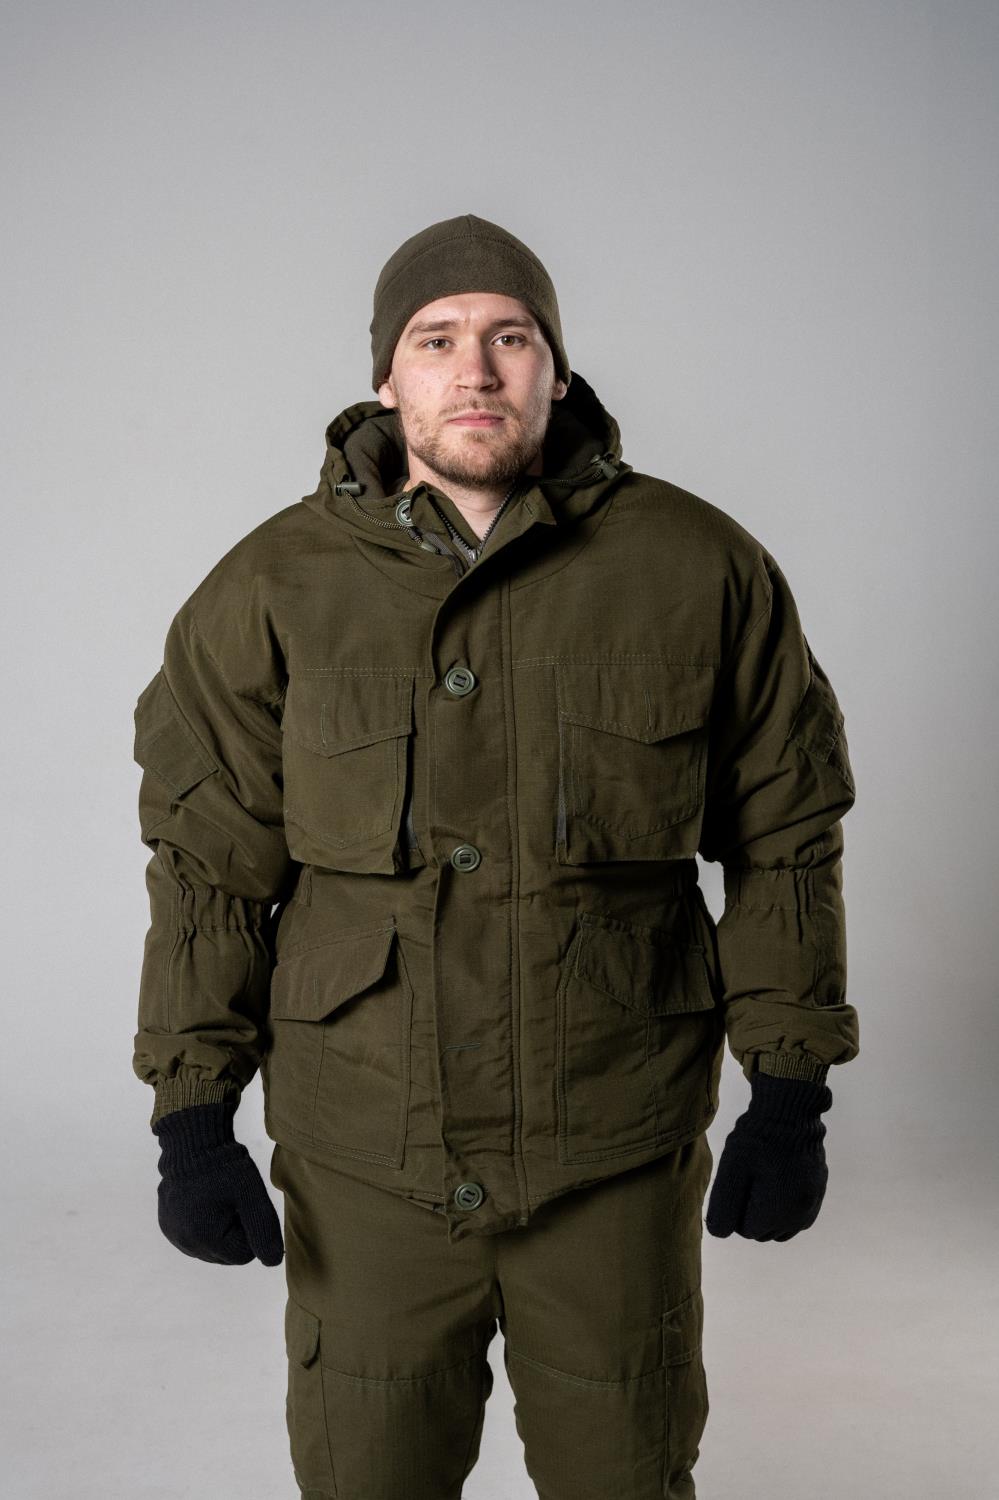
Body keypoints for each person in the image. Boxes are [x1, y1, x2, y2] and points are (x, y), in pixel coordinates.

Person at [132, 212, 859, 1498]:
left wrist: (789, 1089)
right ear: (386, 378)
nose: (475, 370)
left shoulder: (698, 568)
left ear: (556, 372)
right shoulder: (271, 588)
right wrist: (193, 1114)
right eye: (436, 340)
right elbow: (208, 870)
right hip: (367, 1164)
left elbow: (785, 835)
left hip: (612, 1151)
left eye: (510, 338)